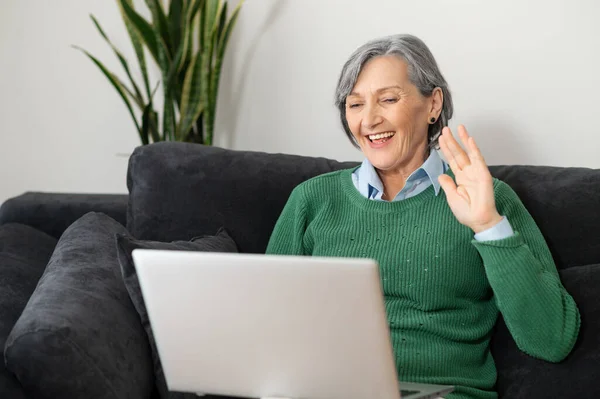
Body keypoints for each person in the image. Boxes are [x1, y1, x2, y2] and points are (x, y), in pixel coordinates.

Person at [265, 34, 580, 399]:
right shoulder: (312, 200)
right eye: (355, 104)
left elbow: (551, 339)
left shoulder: (488, 199)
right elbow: (267, 329)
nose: (369, 120)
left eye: (388, 99)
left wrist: (488, 226)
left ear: (433, 104)